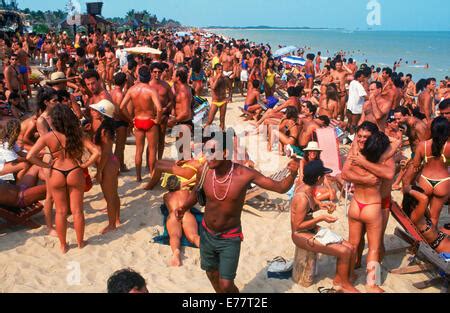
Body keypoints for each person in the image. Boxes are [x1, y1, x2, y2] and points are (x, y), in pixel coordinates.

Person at [175, 132, 299, 293]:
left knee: (226, 284)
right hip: (206, 233)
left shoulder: (244, 174)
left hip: (229, 238)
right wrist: (183, 208)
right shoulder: (204, 170)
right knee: (211, 273)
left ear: (225, 153)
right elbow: (196, 192)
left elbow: (281, 188)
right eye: (205, 152)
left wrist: (293, 173)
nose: (207, 156)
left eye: (212, 152)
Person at [26, 104, 100, 253]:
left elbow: (30, 156)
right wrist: (85, 164)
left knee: (60, 211)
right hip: (74, 170)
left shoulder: (48, 137)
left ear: (55, 120)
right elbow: (97, 151)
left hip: (57, 171)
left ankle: (63, 245)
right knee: (77, 210)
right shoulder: (77, 134)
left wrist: (46, 166)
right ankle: (80, 243)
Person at [291, 160, 359, 293]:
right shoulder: (302, 197)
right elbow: (297, 226)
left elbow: (311, 207)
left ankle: (344, 278)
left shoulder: (307, 188)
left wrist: (323, 205)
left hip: (309, 229)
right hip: (300, 234)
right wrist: (321, 217)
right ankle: (343, 284)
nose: (324, 178)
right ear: (318, 178)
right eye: (323, 176)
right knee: (344, 252)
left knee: (350, 247)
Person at [342, 126, 391, 293]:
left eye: (365, 137)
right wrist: (367, 179)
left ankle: (348, 276)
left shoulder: (356, 155)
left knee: (352, 244)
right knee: (374, 247)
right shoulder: (380, 155)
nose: (361, 139)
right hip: (371, 206)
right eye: (359, 136)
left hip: (356, 204)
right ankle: (371, 284)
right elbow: (344, 174)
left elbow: (346, 173)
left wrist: (362, 166)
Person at [120, 66, 162, 182]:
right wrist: (157, 120)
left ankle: (138, 176)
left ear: (138, 76)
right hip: (149, 120)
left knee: (139, 150)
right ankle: (152, 174)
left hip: (138, 120)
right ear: (149, 76)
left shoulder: (132, 90)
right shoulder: (151, 90)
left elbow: (121, 106)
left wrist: (130, 119)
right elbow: (159, 109)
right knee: (153, 149)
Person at [409, 117, 449, 228]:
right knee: (434, 217)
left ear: (431, 130)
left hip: (425, 180)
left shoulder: (423, 145)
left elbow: (416, 165)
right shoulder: (449, 146)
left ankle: (420, 239)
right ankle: (432, 241)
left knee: (421, 213)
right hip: (443, 181)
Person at [91, 102, 121, 235]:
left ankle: (112, 224)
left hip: (107, 164)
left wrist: (99, 171)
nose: (93, 111)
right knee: (114, 194)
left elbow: (105, 153)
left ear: (102, 113)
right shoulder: (107, 128)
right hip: (112, 162)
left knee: (109, 197)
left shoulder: (104, 130)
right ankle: (117, 219)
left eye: (96, 110)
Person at [402, 185, 449, 253]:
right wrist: (408, 191)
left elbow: (429, 215)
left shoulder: (417, 213)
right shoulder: (415, 216)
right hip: (439, 244)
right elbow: (424, 199)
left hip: (440, 237)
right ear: (414, 203)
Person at [149, 62, 175, 160]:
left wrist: (166, 108)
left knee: (161, 140)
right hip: (152, 116)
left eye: (159, 72)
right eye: (155, 72)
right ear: (151, 73)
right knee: (152, 142)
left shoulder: (166, 85)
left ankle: (159, 160)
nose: (157, 74)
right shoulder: (149, 86)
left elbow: (171, 100)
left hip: (163, 116)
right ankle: (149, 163)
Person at [110, 72, 130, 172]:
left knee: (120, 147)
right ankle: (115, 169)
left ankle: (121, 166)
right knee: (119, 148)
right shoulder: (120, 94)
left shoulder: (111, 92)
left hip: (112, 121)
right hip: (120, 122)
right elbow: (120, 111)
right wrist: (130, 120)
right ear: (124, 82)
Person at [206, 63, 228, 130]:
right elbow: (213, 87)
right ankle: (203, 135)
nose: (221, 71)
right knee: (210, 120)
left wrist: (229, 96)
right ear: (216, 70)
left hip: (223, 101)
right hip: (215, 101)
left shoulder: (224, 78)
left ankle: (222, 136)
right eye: (219, 69)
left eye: (222, 69)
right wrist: (218, 78)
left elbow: (230, 87)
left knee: (222, 120)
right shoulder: (211, 78)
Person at [346, 71, 368, 136]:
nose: (363, 79)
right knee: (354, 124)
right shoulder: (359, 85)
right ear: (358, 77)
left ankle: (347, 136)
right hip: (356, 107)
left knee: (349, 122)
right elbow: (364, 95)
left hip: (350, 105)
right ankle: (352, 137)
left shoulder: (352, 82)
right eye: (362, 77)